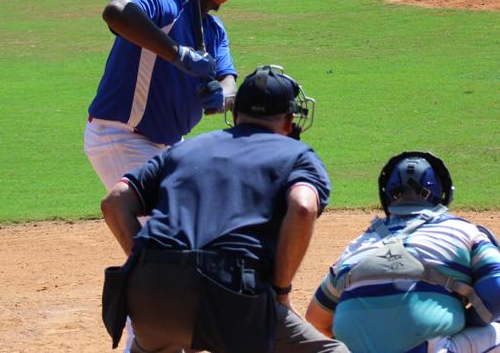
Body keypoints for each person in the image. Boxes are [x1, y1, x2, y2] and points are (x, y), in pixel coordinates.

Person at [100, 64, 349, 353]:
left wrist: (150, 265)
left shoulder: (182, 150)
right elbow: (303, 207)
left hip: (147, 293)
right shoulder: (297, 156)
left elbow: (114, 202)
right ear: (289, 120)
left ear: (234, 114)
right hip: (228, 295)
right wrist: (280, 293)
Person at [305, 151, 500, 353]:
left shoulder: (357, 245)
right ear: (443, 192)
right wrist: (466, 322)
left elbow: (316, 320)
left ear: (387, 195)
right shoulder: (461, 231)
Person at [84, 0, 241, 192]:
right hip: (122, 138)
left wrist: (221, 96)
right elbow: (115, 11)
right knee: (171, 226)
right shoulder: (164, 3)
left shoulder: (214, 31)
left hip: (169, 144)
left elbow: (229, 82)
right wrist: (178, 54)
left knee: (205, 209)